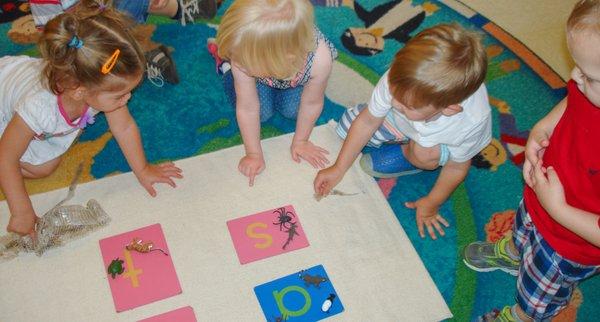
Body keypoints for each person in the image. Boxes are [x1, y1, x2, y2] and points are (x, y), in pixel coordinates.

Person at [462, 1, 600, 321]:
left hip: (569, 243)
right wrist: (543, 127)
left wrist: (559, 209)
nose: (575, 76)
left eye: (590, 76)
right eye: (577, 66)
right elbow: (572, 101)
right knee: (523, 228)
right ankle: (513, 253)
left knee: (540, 292)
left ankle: (523, 316)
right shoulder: (586, 84)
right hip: (543, 195)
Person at [0, 7, 182, 240]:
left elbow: (124, 127)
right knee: (38, 167)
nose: (127, 99)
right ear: (79, 91)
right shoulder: (40, 106)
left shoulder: (92, 85)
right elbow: (7, 156)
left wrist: (144, 170)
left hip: (31, 97)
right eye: (119, 96)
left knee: (47, 162)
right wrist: (21, 211)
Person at [314, 23, 491, 240]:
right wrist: (339, 168)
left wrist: (431, 203)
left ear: (449, 108)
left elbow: (457, 168)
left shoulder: (470, 122)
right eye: (395, 94)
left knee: (424, 154)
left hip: (437, 144)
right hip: (402, 123)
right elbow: (368, 120)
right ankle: (407, 137)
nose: (395, 101)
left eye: (407, 104)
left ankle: (409, 156)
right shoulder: (401, 80)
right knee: (348, 125)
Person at [211, 0, 337, 186]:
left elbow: (312, 103)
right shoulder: (242, 58)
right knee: (262, 113)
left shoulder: (320, 59)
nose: (238, 60)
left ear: (281, 59)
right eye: (234, 56)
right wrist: (253, 154)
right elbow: (247, 108)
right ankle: (225, 66)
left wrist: (301, 141)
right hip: (261, 74)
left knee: (293, 110)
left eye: (240, 59)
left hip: (286, 75)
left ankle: (268, 80)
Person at [28, 0, 219, 86]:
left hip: (109, 13)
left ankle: (179, 9)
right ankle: (138, 55)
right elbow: (53, 40)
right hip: (85, 39)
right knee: (86, 67)